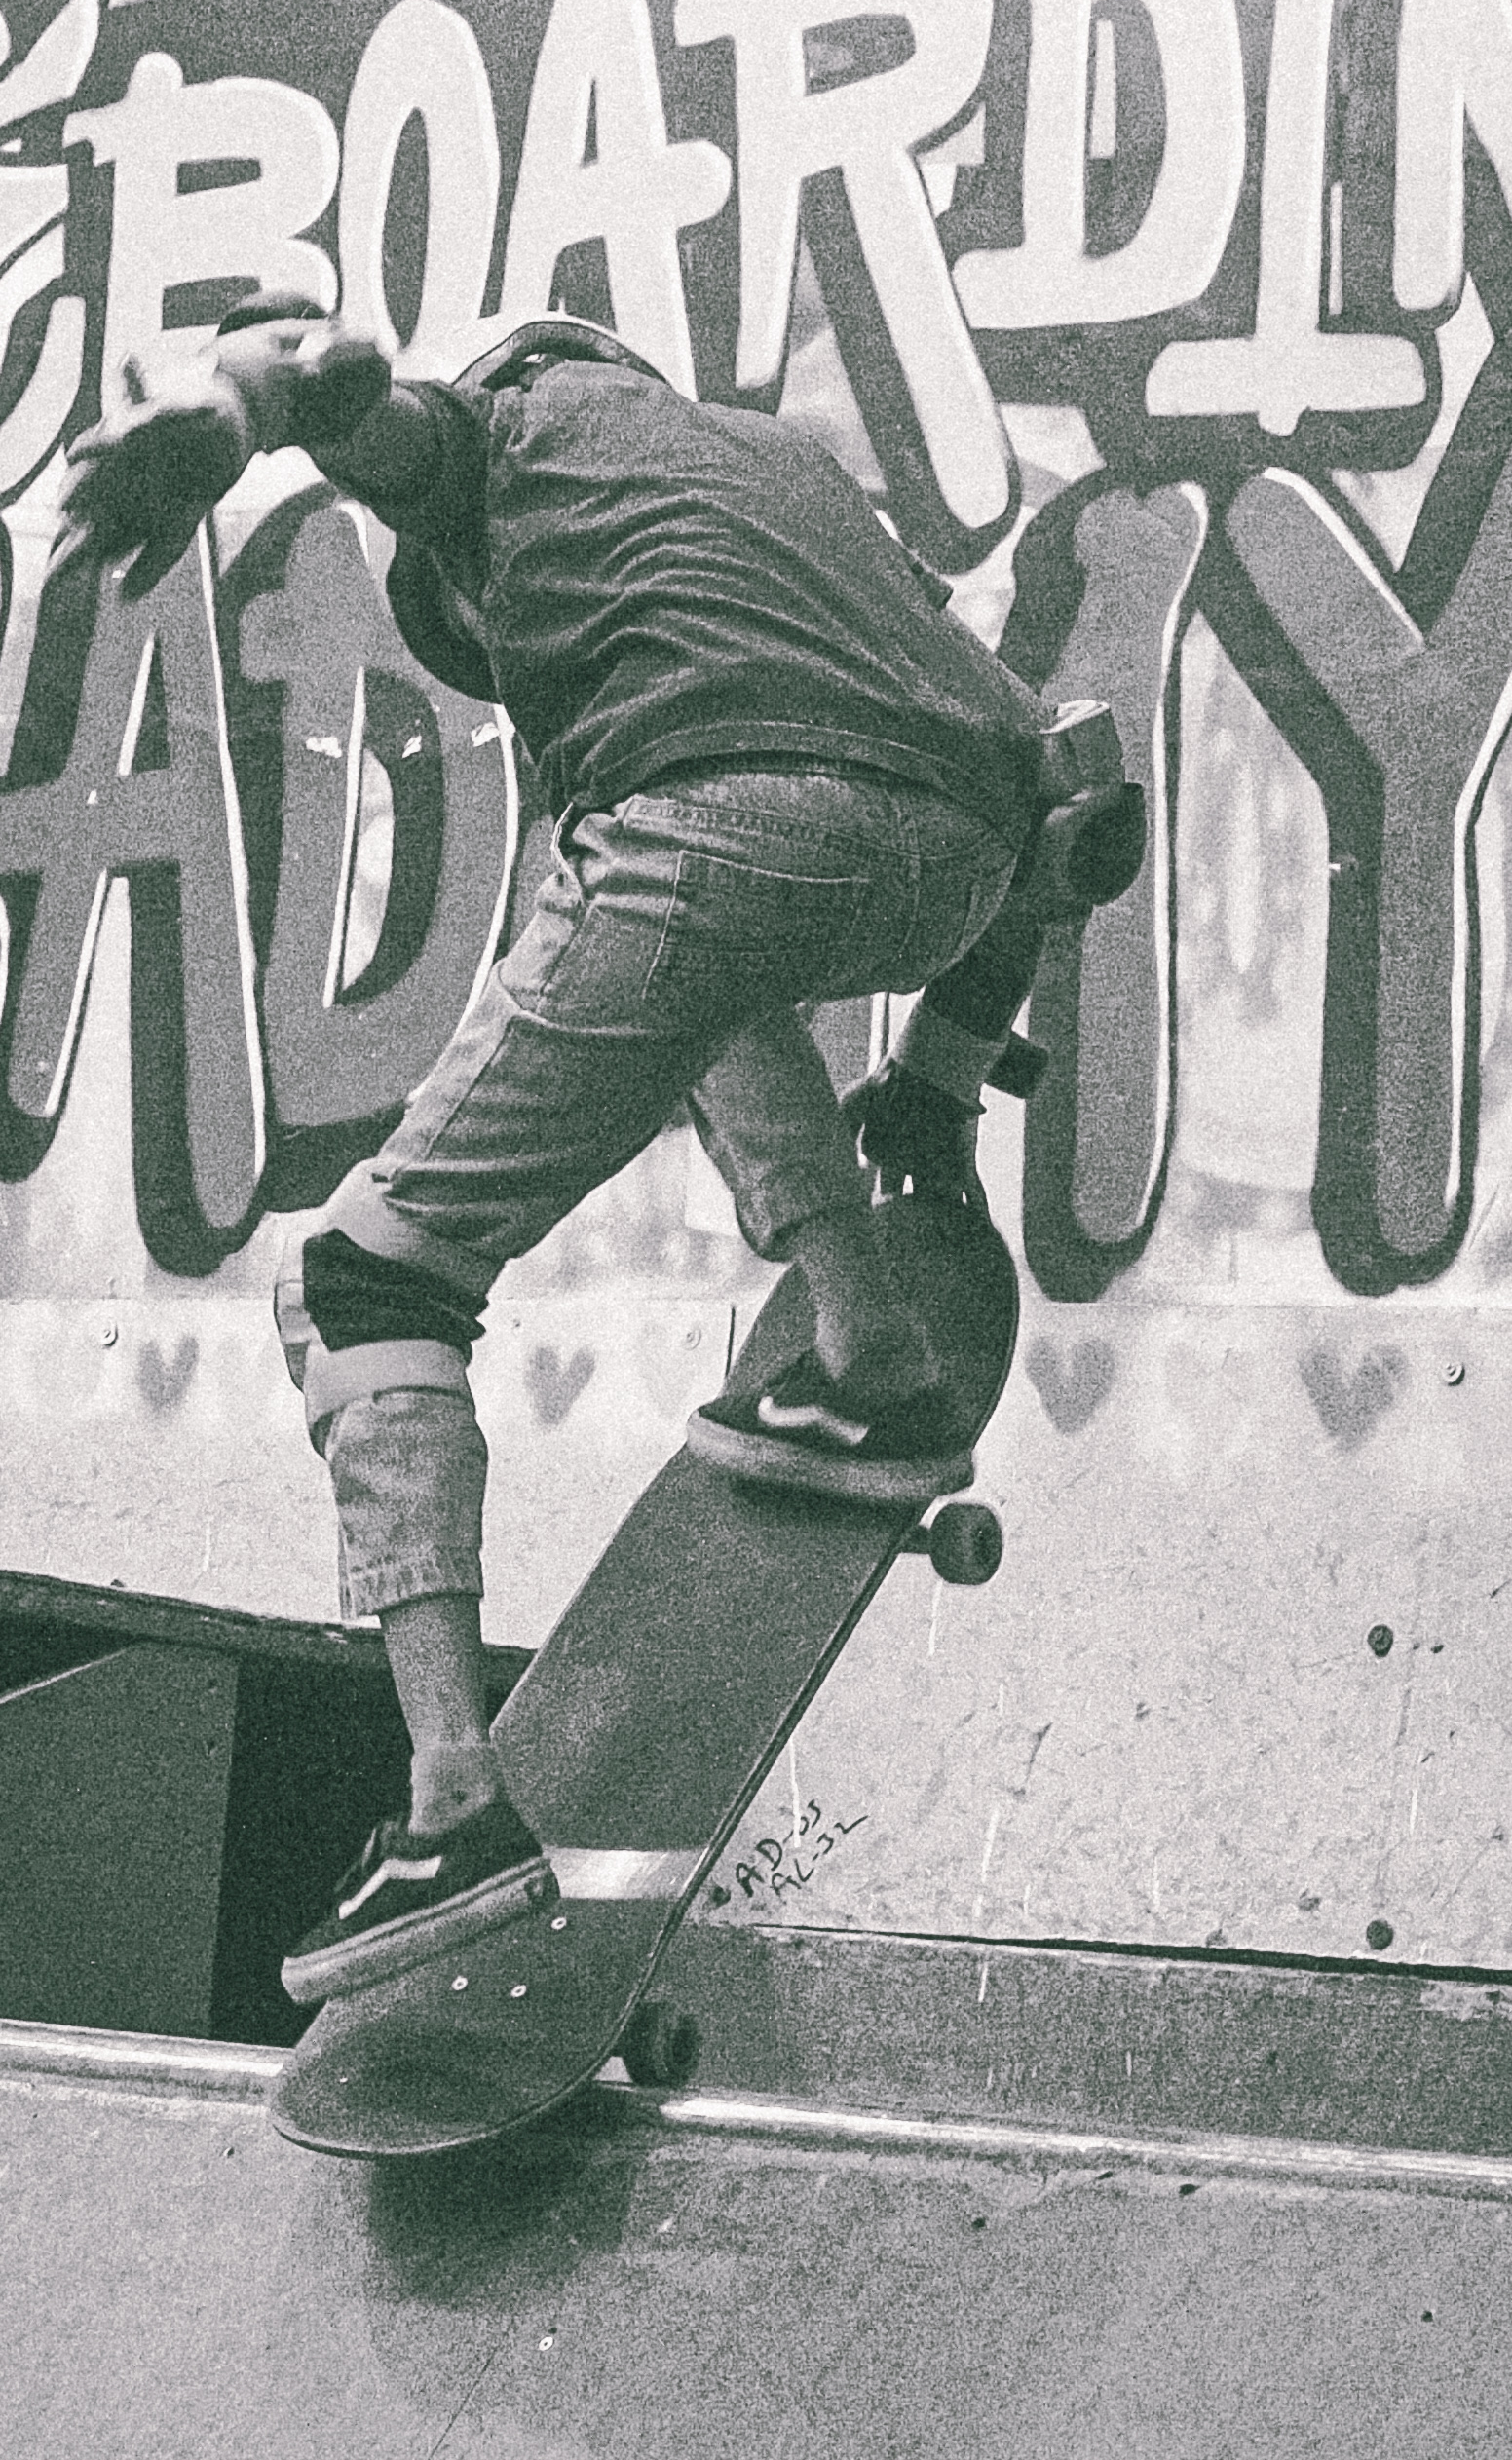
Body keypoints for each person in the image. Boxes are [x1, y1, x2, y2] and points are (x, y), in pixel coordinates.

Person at [56, 302, 1131, 2001]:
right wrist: (932, 1079)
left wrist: (237, 408)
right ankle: (866, 1345)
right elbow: (1069, 801)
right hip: (949, 860)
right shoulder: (783, 475)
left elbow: (359, 396)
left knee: (364, 1286)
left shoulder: (505, 440)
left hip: (711, 823)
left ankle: (449, 1807)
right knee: (711, 987)